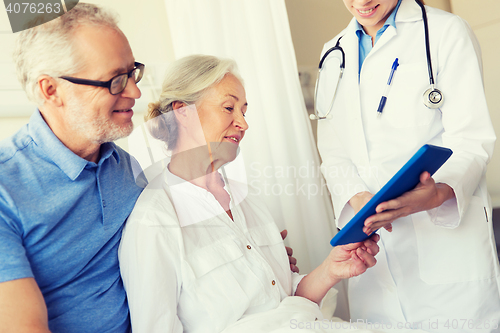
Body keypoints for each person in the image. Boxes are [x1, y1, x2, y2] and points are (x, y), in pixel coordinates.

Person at [118, 55, 382, 333]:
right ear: (182, 112)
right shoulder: (153, 222)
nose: (243, 124)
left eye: (244, 111)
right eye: (229, 108)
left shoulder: (247, 199)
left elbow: (285, 302)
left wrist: (333, 268)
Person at [316, 0, 500, 331]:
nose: (361, 2)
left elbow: (472, 139)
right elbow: (333, 151)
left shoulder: (445, 32)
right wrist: (360, 201)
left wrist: (439, 192)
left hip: (446, 254)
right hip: (373, 257)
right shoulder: (333, 53)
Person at [0, 3, 145, 332]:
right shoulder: (5, 189)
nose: (135, 91)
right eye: (116, 81)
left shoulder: (126, 169)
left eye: (132, 72)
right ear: (51, 90)